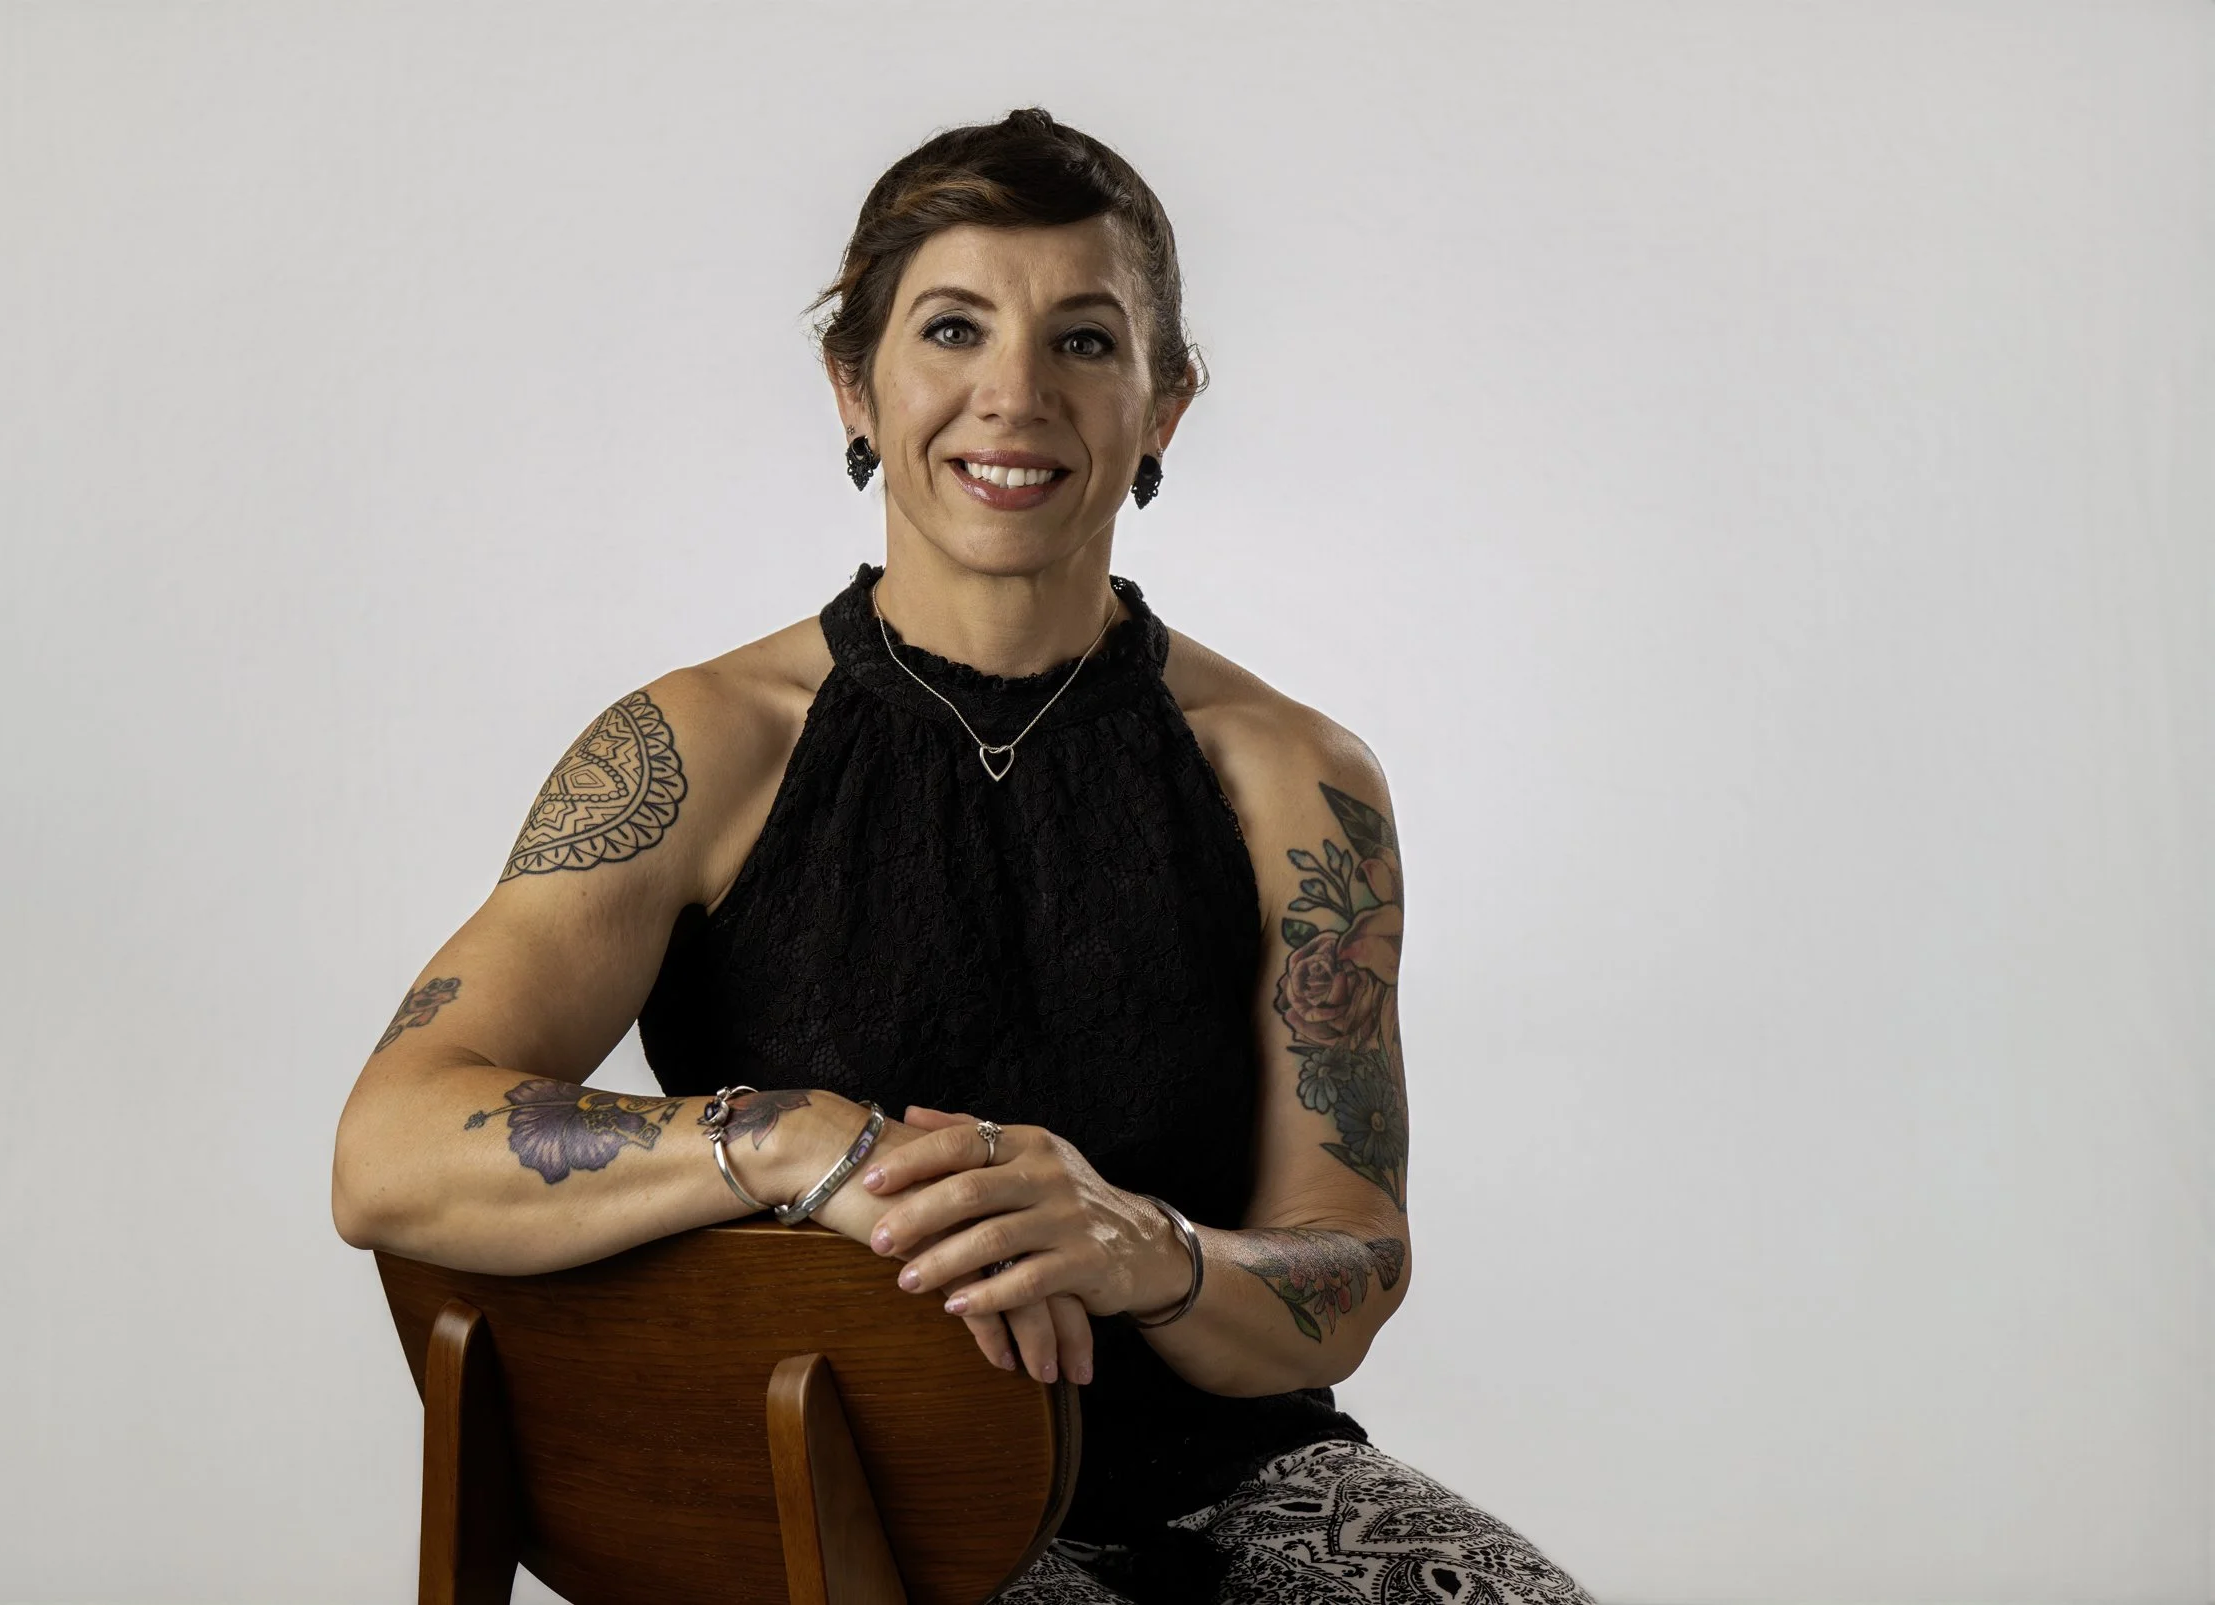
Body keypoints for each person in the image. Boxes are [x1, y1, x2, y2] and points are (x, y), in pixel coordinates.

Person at [330, 107, 1597, 1605]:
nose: (1013, 398)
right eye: (952, 330)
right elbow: (387, 1149)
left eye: (1083, 341)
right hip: (846, 1496)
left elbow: (1354, 1262)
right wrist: (800, 1143)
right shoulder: (698, 747)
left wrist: (1155, 1252)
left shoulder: (1300, 783)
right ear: (854, 385)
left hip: (1226, 1482)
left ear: (1165, 403)